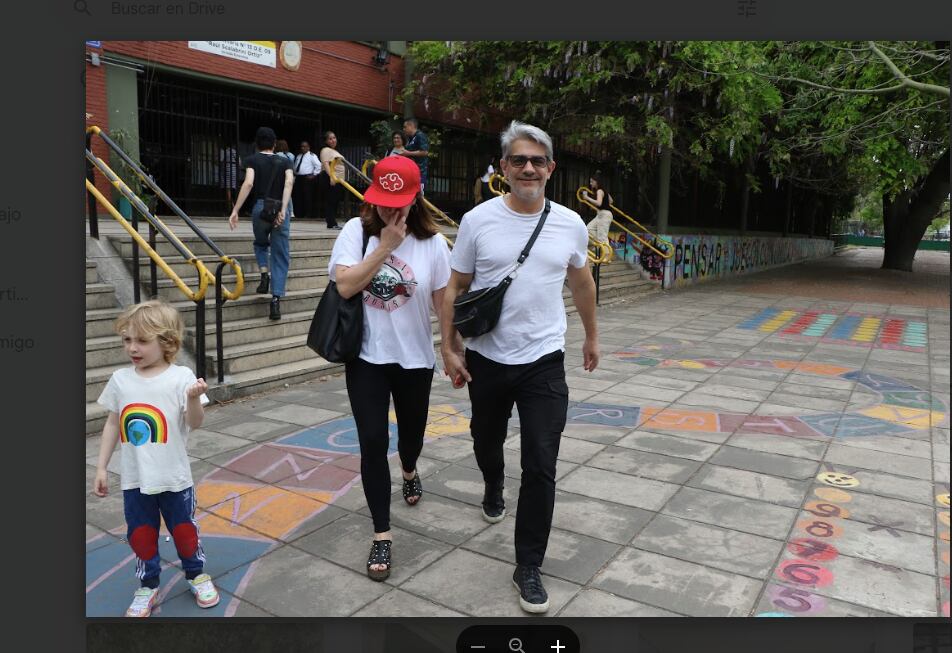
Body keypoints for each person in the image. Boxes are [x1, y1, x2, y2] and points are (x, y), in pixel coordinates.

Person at [440, 121, 600, 614]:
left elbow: (582, 284)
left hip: (545, 361)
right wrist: (448, 348)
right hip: (488, 357)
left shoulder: (571, 223)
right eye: (518, 160)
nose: (528, 168)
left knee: (542, 465)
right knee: (486, 441)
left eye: (537, 160)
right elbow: (454, 288)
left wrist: (592, 336)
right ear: (503, 169)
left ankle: (528, 564)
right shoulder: (478, 221)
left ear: (550, 168)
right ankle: (492, 481)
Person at [328, 155, 451, 582]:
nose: (389, 210)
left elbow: (442, 304)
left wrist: (453, 350)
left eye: (397, 202)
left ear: (415, 197)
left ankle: (411, 469)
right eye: (382, 201)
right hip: (367, 359)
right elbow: (344, 284)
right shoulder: (355, 232)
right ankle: (382, 533)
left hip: (416, 359)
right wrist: (385, 246)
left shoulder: (434, 244)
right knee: (373, 442)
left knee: (411, 436)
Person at [92, 300, 216, 618]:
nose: (132, 347)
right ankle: (148, 584)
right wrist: (102, 467)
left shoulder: (181, 377)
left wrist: (192, 399)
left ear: (167, 342)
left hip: (174, 478)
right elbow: (111, 424)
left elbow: (195, 422)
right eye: (127, 340)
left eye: (142, 341)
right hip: (135, 479)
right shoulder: (121, 380)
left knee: (185, 532)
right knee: (142, 535)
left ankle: (196, 574)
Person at [228, 126, 295, 320]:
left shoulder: (251, 160)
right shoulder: (286, 161)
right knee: (280, 253)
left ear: (256, 144)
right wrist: (283, 210)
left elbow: (248, 183)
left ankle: (264, 273)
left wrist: (235, 210)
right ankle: (275, 300)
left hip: (260, 208)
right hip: (280, 209)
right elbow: (289, 183)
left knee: (260, 243)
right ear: (275, 144)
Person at [318, 131, 346, 229]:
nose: (333, 140)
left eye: (334, 138)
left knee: (335, 201)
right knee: (331, 201)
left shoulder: (334, 151)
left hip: (337, 179)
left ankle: (333, 222)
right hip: (330, 177)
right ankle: (331, 223)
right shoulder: (325, 150)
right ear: (326, 141)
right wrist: (331, 177)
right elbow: (326, 164)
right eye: (330, 138)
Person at [581, 172, 613, 246]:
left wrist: (587, 198)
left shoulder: (599, 191)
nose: (590, 183)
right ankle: (600, 245)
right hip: (601, 214)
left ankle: (606, 256)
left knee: (602, 238)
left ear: (597, 182)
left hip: (604, 215)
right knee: (588, 229)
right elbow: (611, 201)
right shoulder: (603, 190)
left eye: (592, 181)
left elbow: (599, 203)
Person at [292, 140, 321, 219]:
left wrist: (314, 175)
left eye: (305, 146)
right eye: (302, 146)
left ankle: (308, 214)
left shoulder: (312, 156)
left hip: (307, 178)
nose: (303, 148)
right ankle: (299, 214)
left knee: (307, 196)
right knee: (298, 196)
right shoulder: (298, 156)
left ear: (308, 147)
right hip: (299, 178)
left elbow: (318, 166)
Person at [401, 118, 430, 194]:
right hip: (411, 172)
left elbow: (425, 152)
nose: (404, 129)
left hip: (420, 172)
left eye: (405, 127)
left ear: (411, 126)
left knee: (420, 196)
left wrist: (408, 153)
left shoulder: (420, 136)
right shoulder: (411, 138)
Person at [275, 139, 296, 219]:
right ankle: (291, 211)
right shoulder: (291, 155)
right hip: (291, 175)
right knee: (288, 194)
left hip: (281, 175)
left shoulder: (276, 155)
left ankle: (279, 209)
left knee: (279, 192)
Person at [219, 143, 239, 210]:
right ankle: (234, 207)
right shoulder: (235, 152)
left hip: (226, 172)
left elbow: (220, 161)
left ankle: (230, 208)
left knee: (228, 191)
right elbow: (239, 162)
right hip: (234, 173)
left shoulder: (223, 151)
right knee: (234, 191)